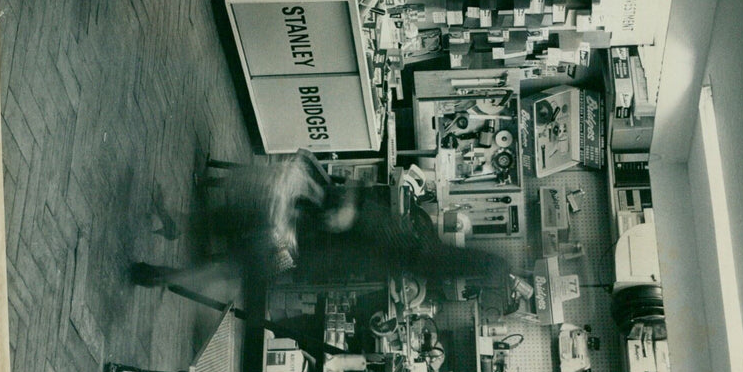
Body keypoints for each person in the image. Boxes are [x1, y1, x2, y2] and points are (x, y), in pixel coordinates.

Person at [130, 152, 512, 327]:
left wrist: (348, 201)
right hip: (306, 249)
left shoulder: (413, 238)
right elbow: (350, 214)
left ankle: (167, 266)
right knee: (235, 258)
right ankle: (168, 265)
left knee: (237, 255)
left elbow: (348, 216)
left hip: (306, 242)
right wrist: (348, 201)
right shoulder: (414, 253)